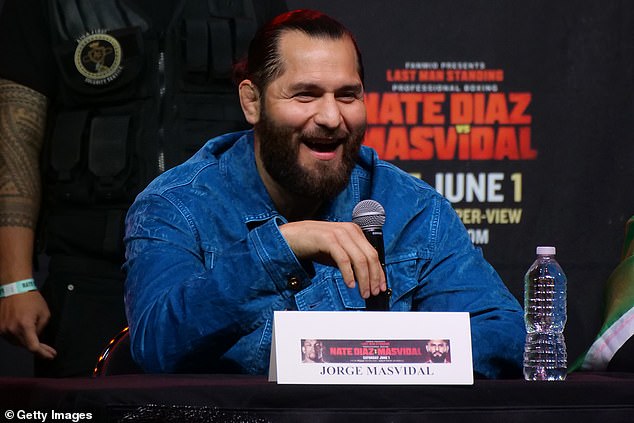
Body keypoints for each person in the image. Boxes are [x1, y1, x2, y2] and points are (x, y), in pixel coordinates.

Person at [124, 9, 526, 379]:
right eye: (306, 95)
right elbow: (156, 346)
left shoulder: (413, 207)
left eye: (347, 95)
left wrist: (361, 357)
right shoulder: (178, 205)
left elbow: (506, 335)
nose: (332, 118)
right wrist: (281, 247)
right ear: (252, 101)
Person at [0, 0, 286, 377]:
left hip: (226, 267)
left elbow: (286, 116)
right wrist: (14, 280)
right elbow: (16, 137)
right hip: (92, 274)